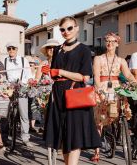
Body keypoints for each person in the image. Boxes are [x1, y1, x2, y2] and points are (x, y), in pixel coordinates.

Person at [43, 16, 100, 165]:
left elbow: (85, 77)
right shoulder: (57, 49)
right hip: (58, 95)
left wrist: (60, 71)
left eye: (69, 28)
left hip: (75, 95)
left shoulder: (84, 50)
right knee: (63, 136)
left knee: (75, 137)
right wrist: (49, 71)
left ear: (76, 28)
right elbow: (54, 74)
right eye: (62, 29)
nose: (66, 32)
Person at [91, 32, 136, 162]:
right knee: (99, 120)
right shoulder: (98, 58)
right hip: (103, 88)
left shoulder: (121, 60)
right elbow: (97, 77)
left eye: (112, 41)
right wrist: (99, 89)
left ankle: (119, 137)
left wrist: (136, 83)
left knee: (118, 114)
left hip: (116, 88)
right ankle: (97, 150)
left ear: (117, 43)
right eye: (107, 41)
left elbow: (128, 75)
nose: (109, 43)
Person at [3, 41, 34, 147]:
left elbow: (28, 74)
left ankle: (25, 138)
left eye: (13, 48)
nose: (11, 50)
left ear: (17, 49)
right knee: (6, 113)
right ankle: (5, 136)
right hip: (9, 89)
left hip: (21, 88)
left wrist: (29, 82)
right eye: (9, 49)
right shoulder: (5, 60)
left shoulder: (23, 60)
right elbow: (3, 75)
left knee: (24, 114)